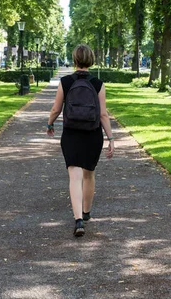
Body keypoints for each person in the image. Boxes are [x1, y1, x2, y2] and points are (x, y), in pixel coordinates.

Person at [46, 44, 115, 237]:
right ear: (91, 59)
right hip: (92, 135)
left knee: (74, 177)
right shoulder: (98, 84)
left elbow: (56, 109)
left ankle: (77, 220)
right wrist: (110, 138)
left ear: (75, 59)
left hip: (71, 134)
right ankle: (86, 213)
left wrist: (50, 124)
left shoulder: (66, 82)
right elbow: (103, 114)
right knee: (89, 175)